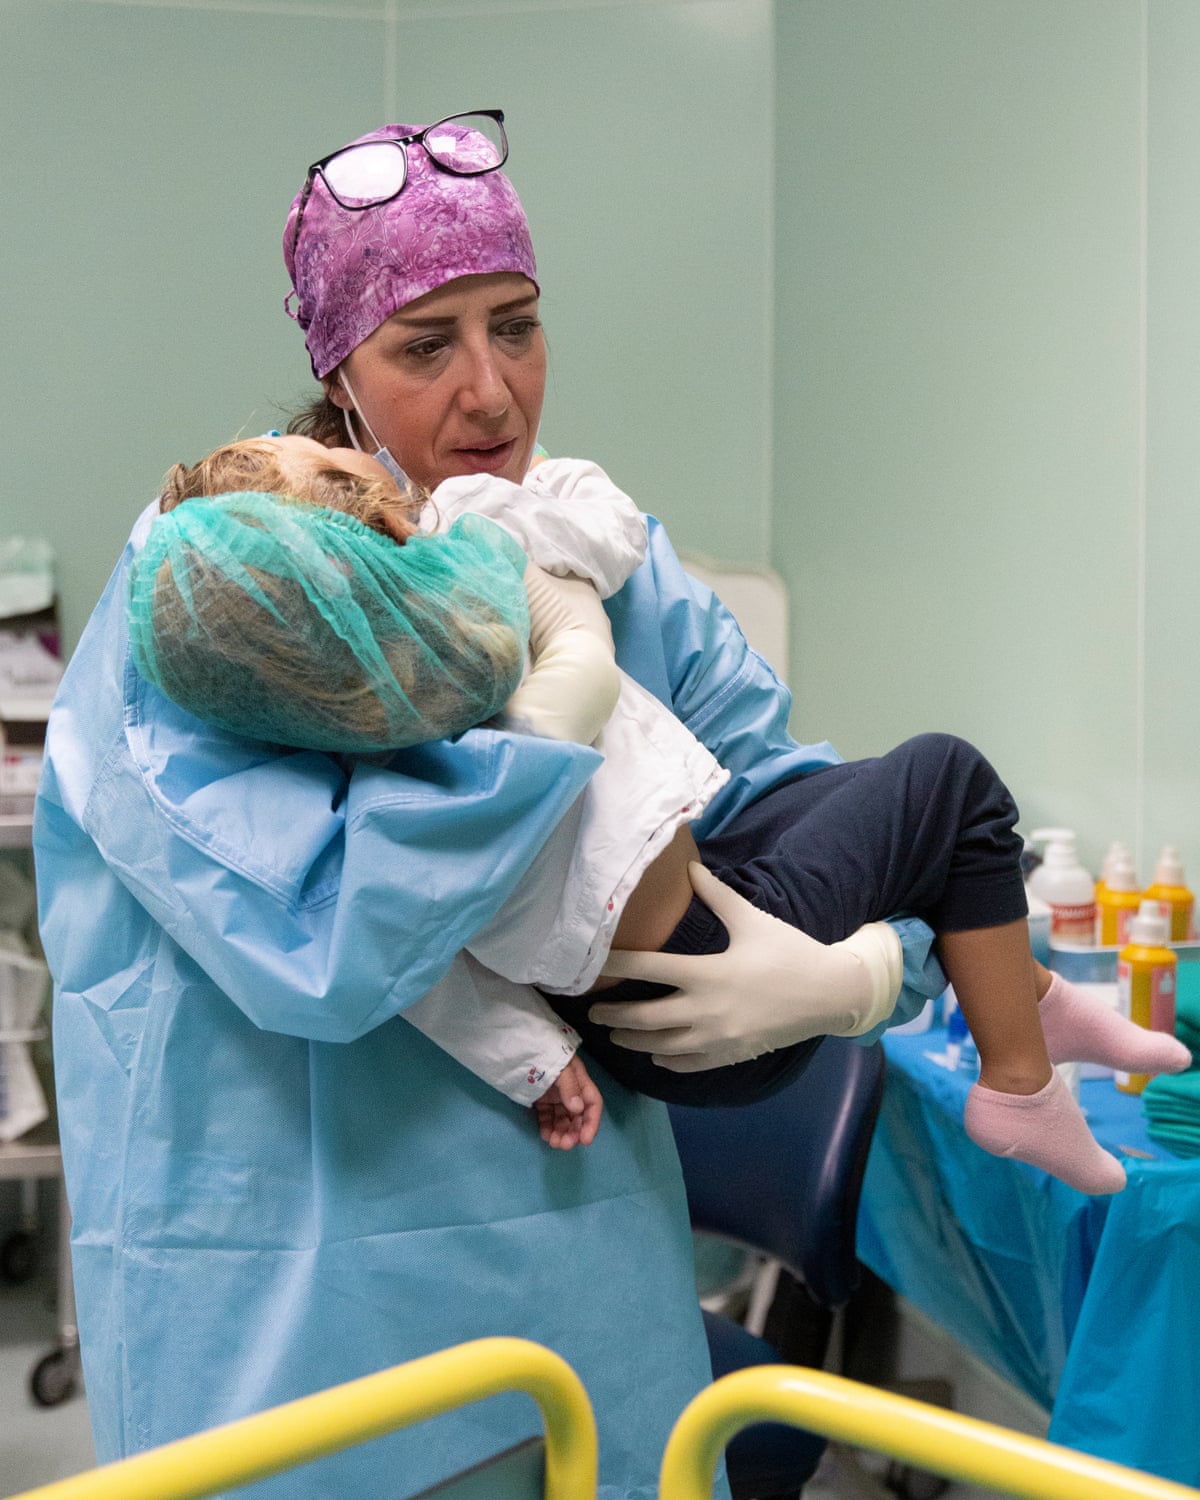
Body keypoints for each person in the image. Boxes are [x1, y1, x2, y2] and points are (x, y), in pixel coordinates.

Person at [35, 111, 944, 1499]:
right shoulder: (225, 587)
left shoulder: (598, 561)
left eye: (515, 327)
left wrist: (867, 971)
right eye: (425, 346)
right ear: (338, 371)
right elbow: (325, 940)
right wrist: (547, 724)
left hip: (577, 1286)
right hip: (292, 1316)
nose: (491, 392)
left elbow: (806, 807)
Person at [132, 434, 1191, 1193]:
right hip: (704, 973)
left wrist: (533, 1058)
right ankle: (1018, 1084)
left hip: (664, 964)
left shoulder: (363, 762)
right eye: (325, 465)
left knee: (865, 800)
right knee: (955, 785)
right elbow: (599, 529)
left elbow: (420, 963)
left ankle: (1032, 1002)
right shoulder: (462, 594)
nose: (353, 467)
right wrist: (493, 532)